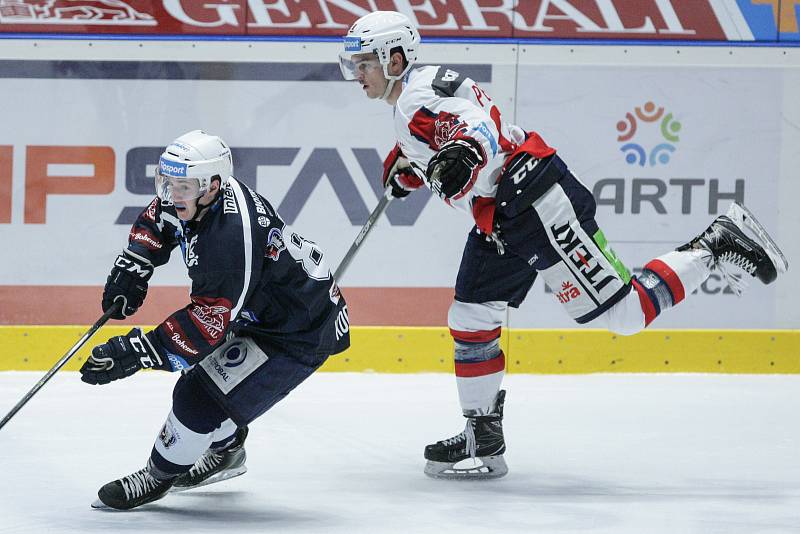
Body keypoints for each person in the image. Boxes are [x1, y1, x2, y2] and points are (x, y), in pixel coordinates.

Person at [338, 11, 788, 480]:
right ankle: (482, 437)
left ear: (394, 58)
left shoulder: (413, 100)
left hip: (537, 204)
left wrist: (463, 151)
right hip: (504, 215)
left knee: (625, 313)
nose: (358, 76)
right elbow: (447, 129)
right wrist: (415, 163)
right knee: (471, 315)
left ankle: (716, 243)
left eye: (365, 64)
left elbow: (475, 129)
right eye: (353, 65)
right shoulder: (421, 90)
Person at [79, 130, 350, 509]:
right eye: (168, 182)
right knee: (208, 381)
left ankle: (158, 476)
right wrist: (136, 263)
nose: (173, 194)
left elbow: (205, 325)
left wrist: (136, 351)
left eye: (182, 186)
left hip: (296, 334)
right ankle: (225, 452)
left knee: (196, 398)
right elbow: (160, 219)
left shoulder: (228, 239)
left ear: (212, 186)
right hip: (262, 313)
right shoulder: (199, 196)